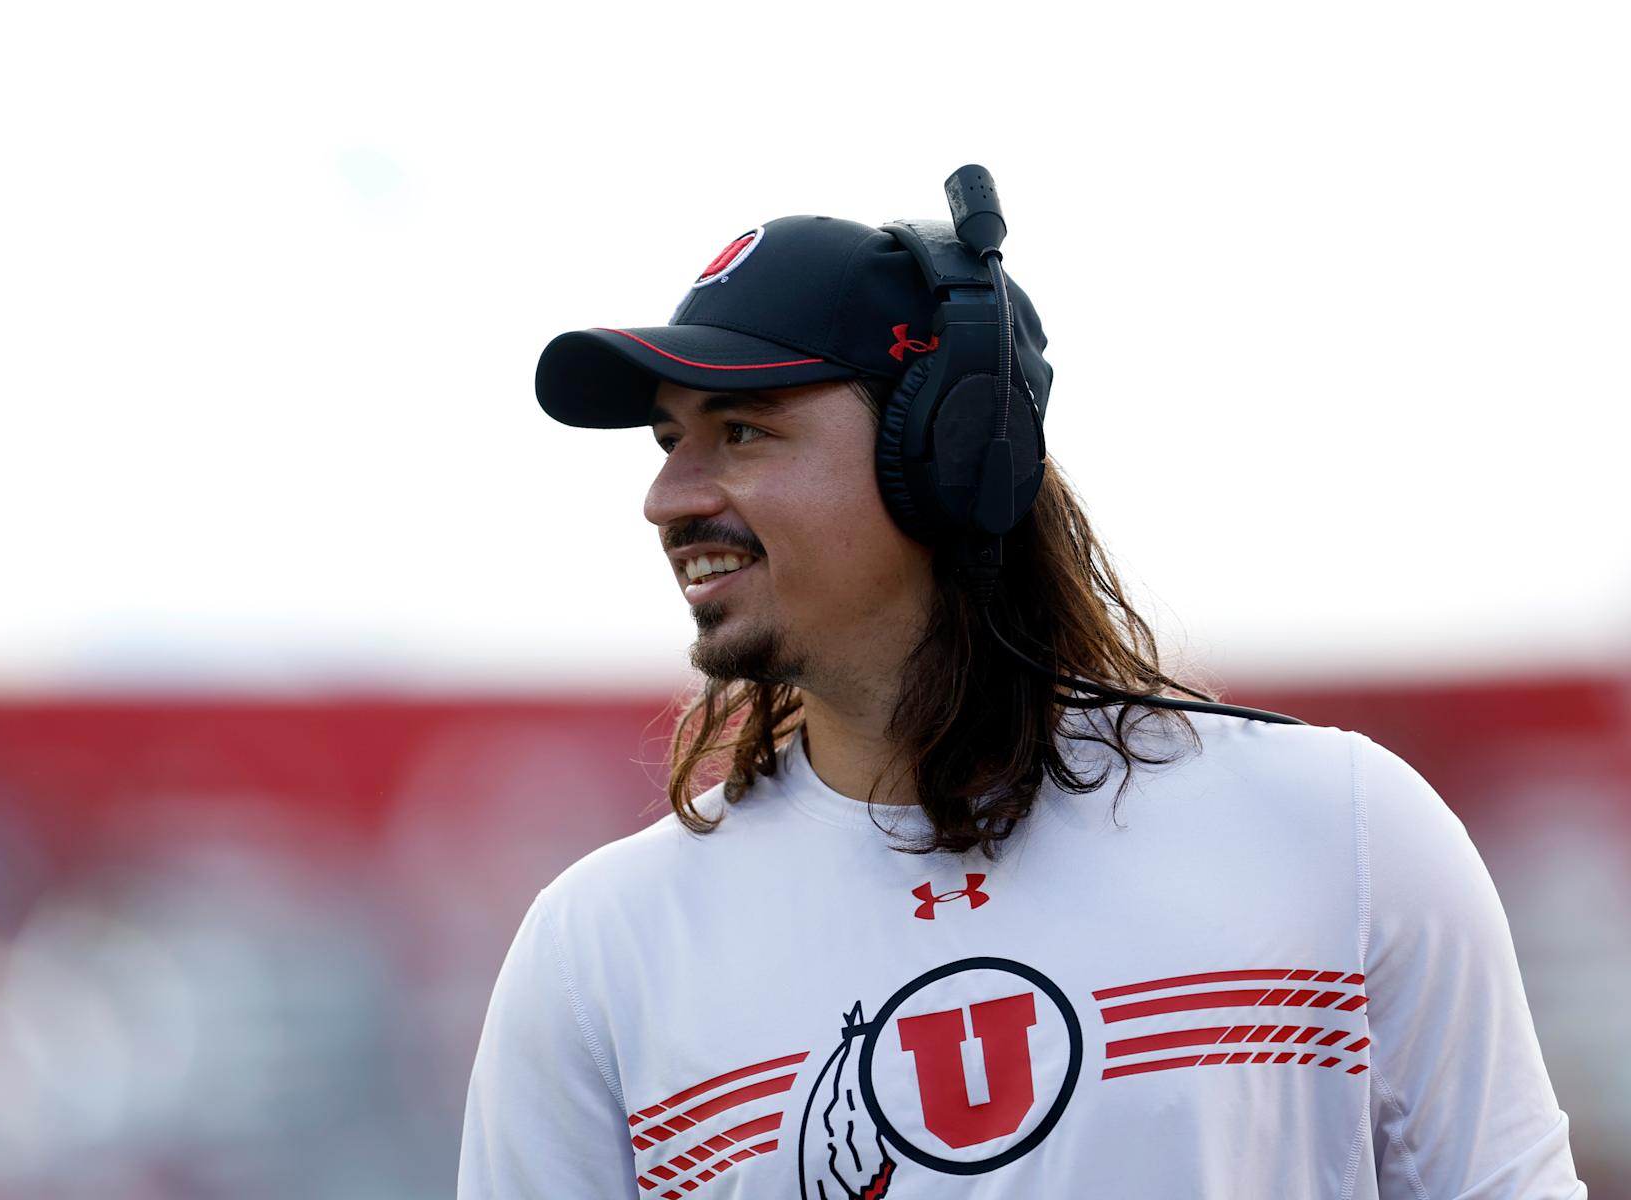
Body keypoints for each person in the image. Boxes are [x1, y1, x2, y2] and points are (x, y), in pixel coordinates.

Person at [457, 178, 1586, 1197]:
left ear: (951, 451)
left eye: (741, 431)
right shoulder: (597, 951)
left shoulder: (1340, 830)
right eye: (666, 440)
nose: (668, 497)